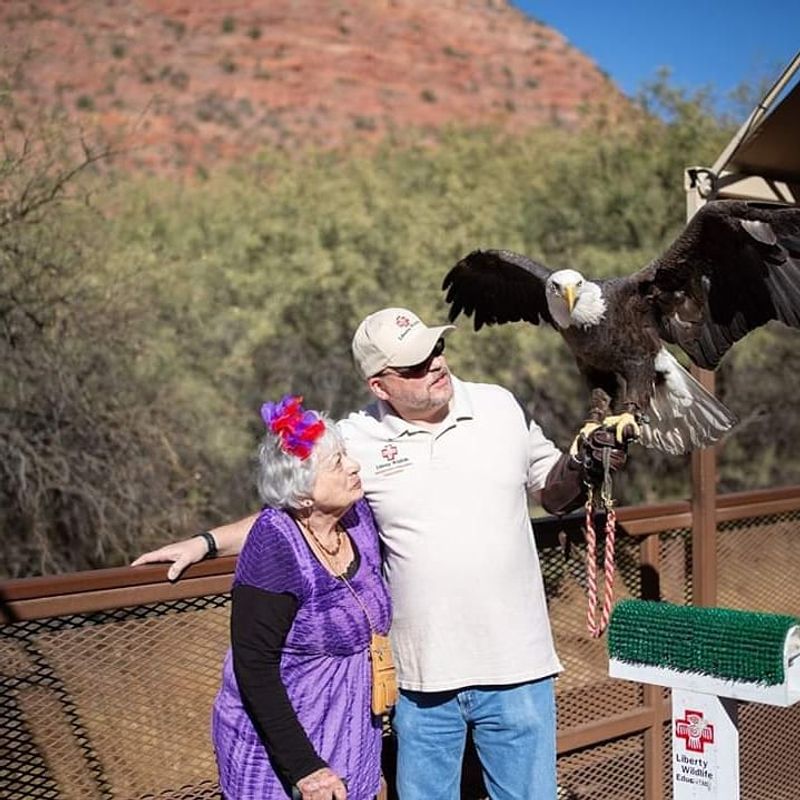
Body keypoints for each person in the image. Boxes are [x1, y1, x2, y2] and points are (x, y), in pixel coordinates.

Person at [134, 307, 626, 800]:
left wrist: (587, 462)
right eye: (414, 365)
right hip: (420, 678)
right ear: (379, 385)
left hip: (518, 667)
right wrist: (205, 543)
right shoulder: (355, 442)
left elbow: (555, 493)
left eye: (436, 350)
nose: (435, 364)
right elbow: (293, 507)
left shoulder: (499, 406)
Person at [211, 395, 391, 800]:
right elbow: (254, 664)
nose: (354, 466)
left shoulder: (357, 519)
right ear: (303, 494)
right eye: (337, 463)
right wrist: (305, 769)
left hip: (353, 733)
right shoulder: (275, 544)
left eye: (346, 454)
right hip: (285, 747)